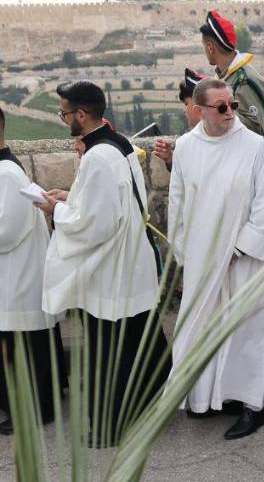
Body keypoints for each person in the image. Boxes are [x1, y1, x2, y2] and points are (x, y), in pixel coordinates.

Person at [38, 81, 169, 447]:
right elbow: (117, 201)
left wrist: (57, 209)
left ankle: (111, 427)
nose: (63, 119)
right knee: (135, 339)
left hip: (110, 268)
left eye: (64, 112)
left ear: (81, 114)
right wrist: (73, 196)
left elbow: (92, 224)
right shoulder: (120, 142)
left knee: (108, 352)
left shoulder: (96, 157)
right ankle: (150, 408)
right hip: (132, 259)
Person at [168, 77, 264, 439]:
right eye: (221, 107)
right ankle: (211, 397)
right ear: (200, 110)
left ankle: (252, 405)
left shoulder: (254, 147)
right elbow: (178, 205)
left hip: (243, 258)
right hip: (202, 259)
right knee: (204, 328)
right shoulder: (185, 148)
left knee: (246, 329)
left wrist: (240, 247)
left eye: (232, 104)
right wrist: (186, 253)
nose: (231, 112)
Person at [0, 107, 68, 435]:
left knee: (24, 346)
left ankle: (35, 410)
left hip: (18, 275)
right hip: (14, 274)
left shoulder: (6, 174)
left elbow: (7, 231)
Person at [200, 10, 264, 137]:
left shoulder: (244, 80)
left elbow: (256, 129)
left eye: (204, 46)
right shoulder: (223, 76)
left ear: (210, 47)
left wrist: (220, 110)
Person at [153, 68, 205, 170]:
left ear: (198, 104)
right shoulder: (188, 142)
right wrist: (170, 159)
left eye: (186, 104)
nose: (185, 110)